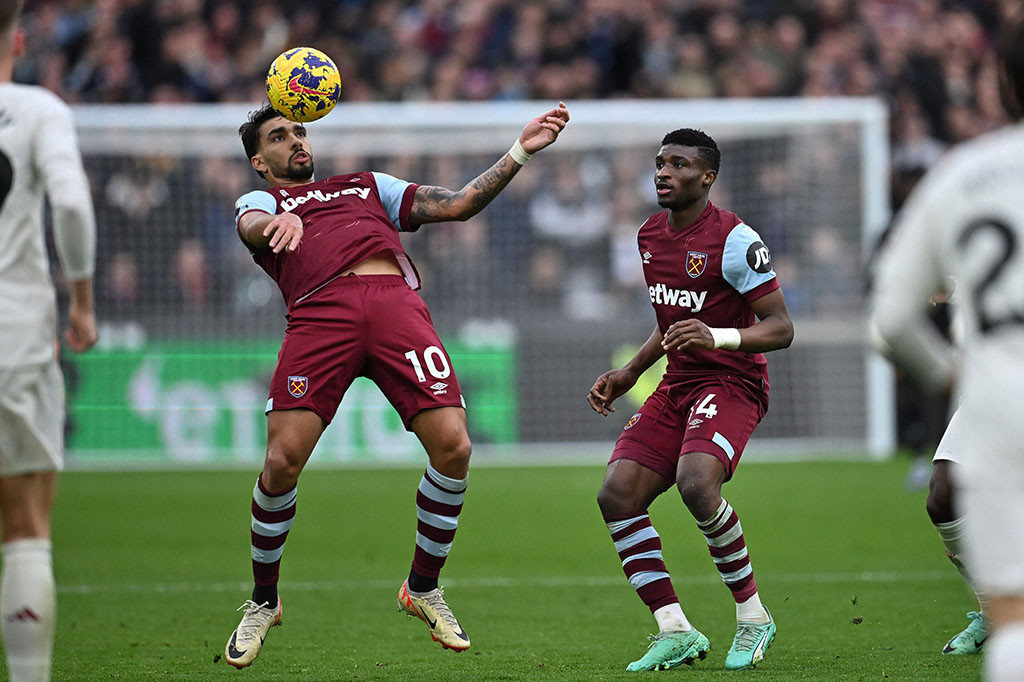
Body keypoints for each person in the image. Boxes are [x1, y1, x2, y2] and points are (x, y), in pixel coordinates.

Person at [224, 101, 569, 669]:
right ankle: (264, 600)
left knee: (455, 446)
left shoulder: (366, 185)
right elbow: (250, 228)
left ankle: (423, 587)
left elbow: (457, 204)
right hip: (320, 316)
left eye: (300, 130)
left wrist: (521, 151)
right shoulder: (264, 200)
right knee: (282, 461)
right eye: (280, 136)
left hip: (396, 310)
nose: (296, 140)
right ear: (260, 162)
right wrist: (274, 223)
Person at [587, 128, 793, 671]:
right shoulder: (650, 234)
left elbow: (781, 327)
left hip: (732, 382)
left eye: (678, 164)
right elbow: (672, 323)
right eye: (659, 162)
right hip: (678, 384)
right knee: (617, 495)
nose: (663, 172)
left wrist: (718, 335)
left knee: (697, 483)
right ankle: (673, 628)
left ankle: (753, 617)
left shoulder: (735, 239)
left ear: (707, 177)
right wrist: (631, 370)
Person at [870, 16, 1024, 681]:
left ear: (1003, 81)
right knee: (942, 495)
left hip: (999, 394)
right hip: (994, 379)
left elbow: (890, 320)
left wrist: (946, 374)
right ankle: (990, 609)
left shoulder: (964, 175)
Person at [0, 2, 99, 681]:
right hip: (14, 330)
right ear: (19, 36)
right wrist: (83, 301)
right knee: (26, 527)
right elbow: (68, 203)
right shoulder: (36, 111)